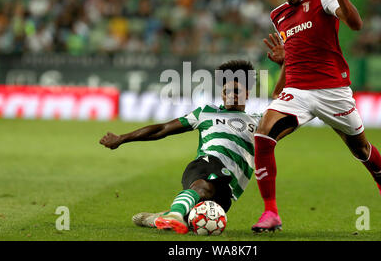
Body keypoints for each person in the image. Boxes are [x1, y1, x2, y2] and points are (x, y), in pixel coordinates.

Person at [251, 0, 381, 233]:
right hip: (298, 90)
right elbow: (293, 53)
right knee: (262, 135)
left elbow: (355, 24)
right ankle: (270, 212)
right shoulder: (278, 15)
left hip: (333, 91)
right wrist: (280, 80)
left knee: (361, 149)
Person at [99, 60, 281, 234]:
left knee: (196, 220)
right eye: (226, 91)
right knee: (203, 187)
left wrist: (284, 66)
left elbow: (284, 104)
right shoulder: (206, 113)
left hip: (228, 186)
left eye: (236, 91)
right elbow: (163, 129)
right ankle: (174, 214)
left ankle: (156, 219)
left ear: (247, 94)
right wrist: (122, 138)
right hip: (206, 164)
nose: (231, 95)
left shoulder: (259, 121)